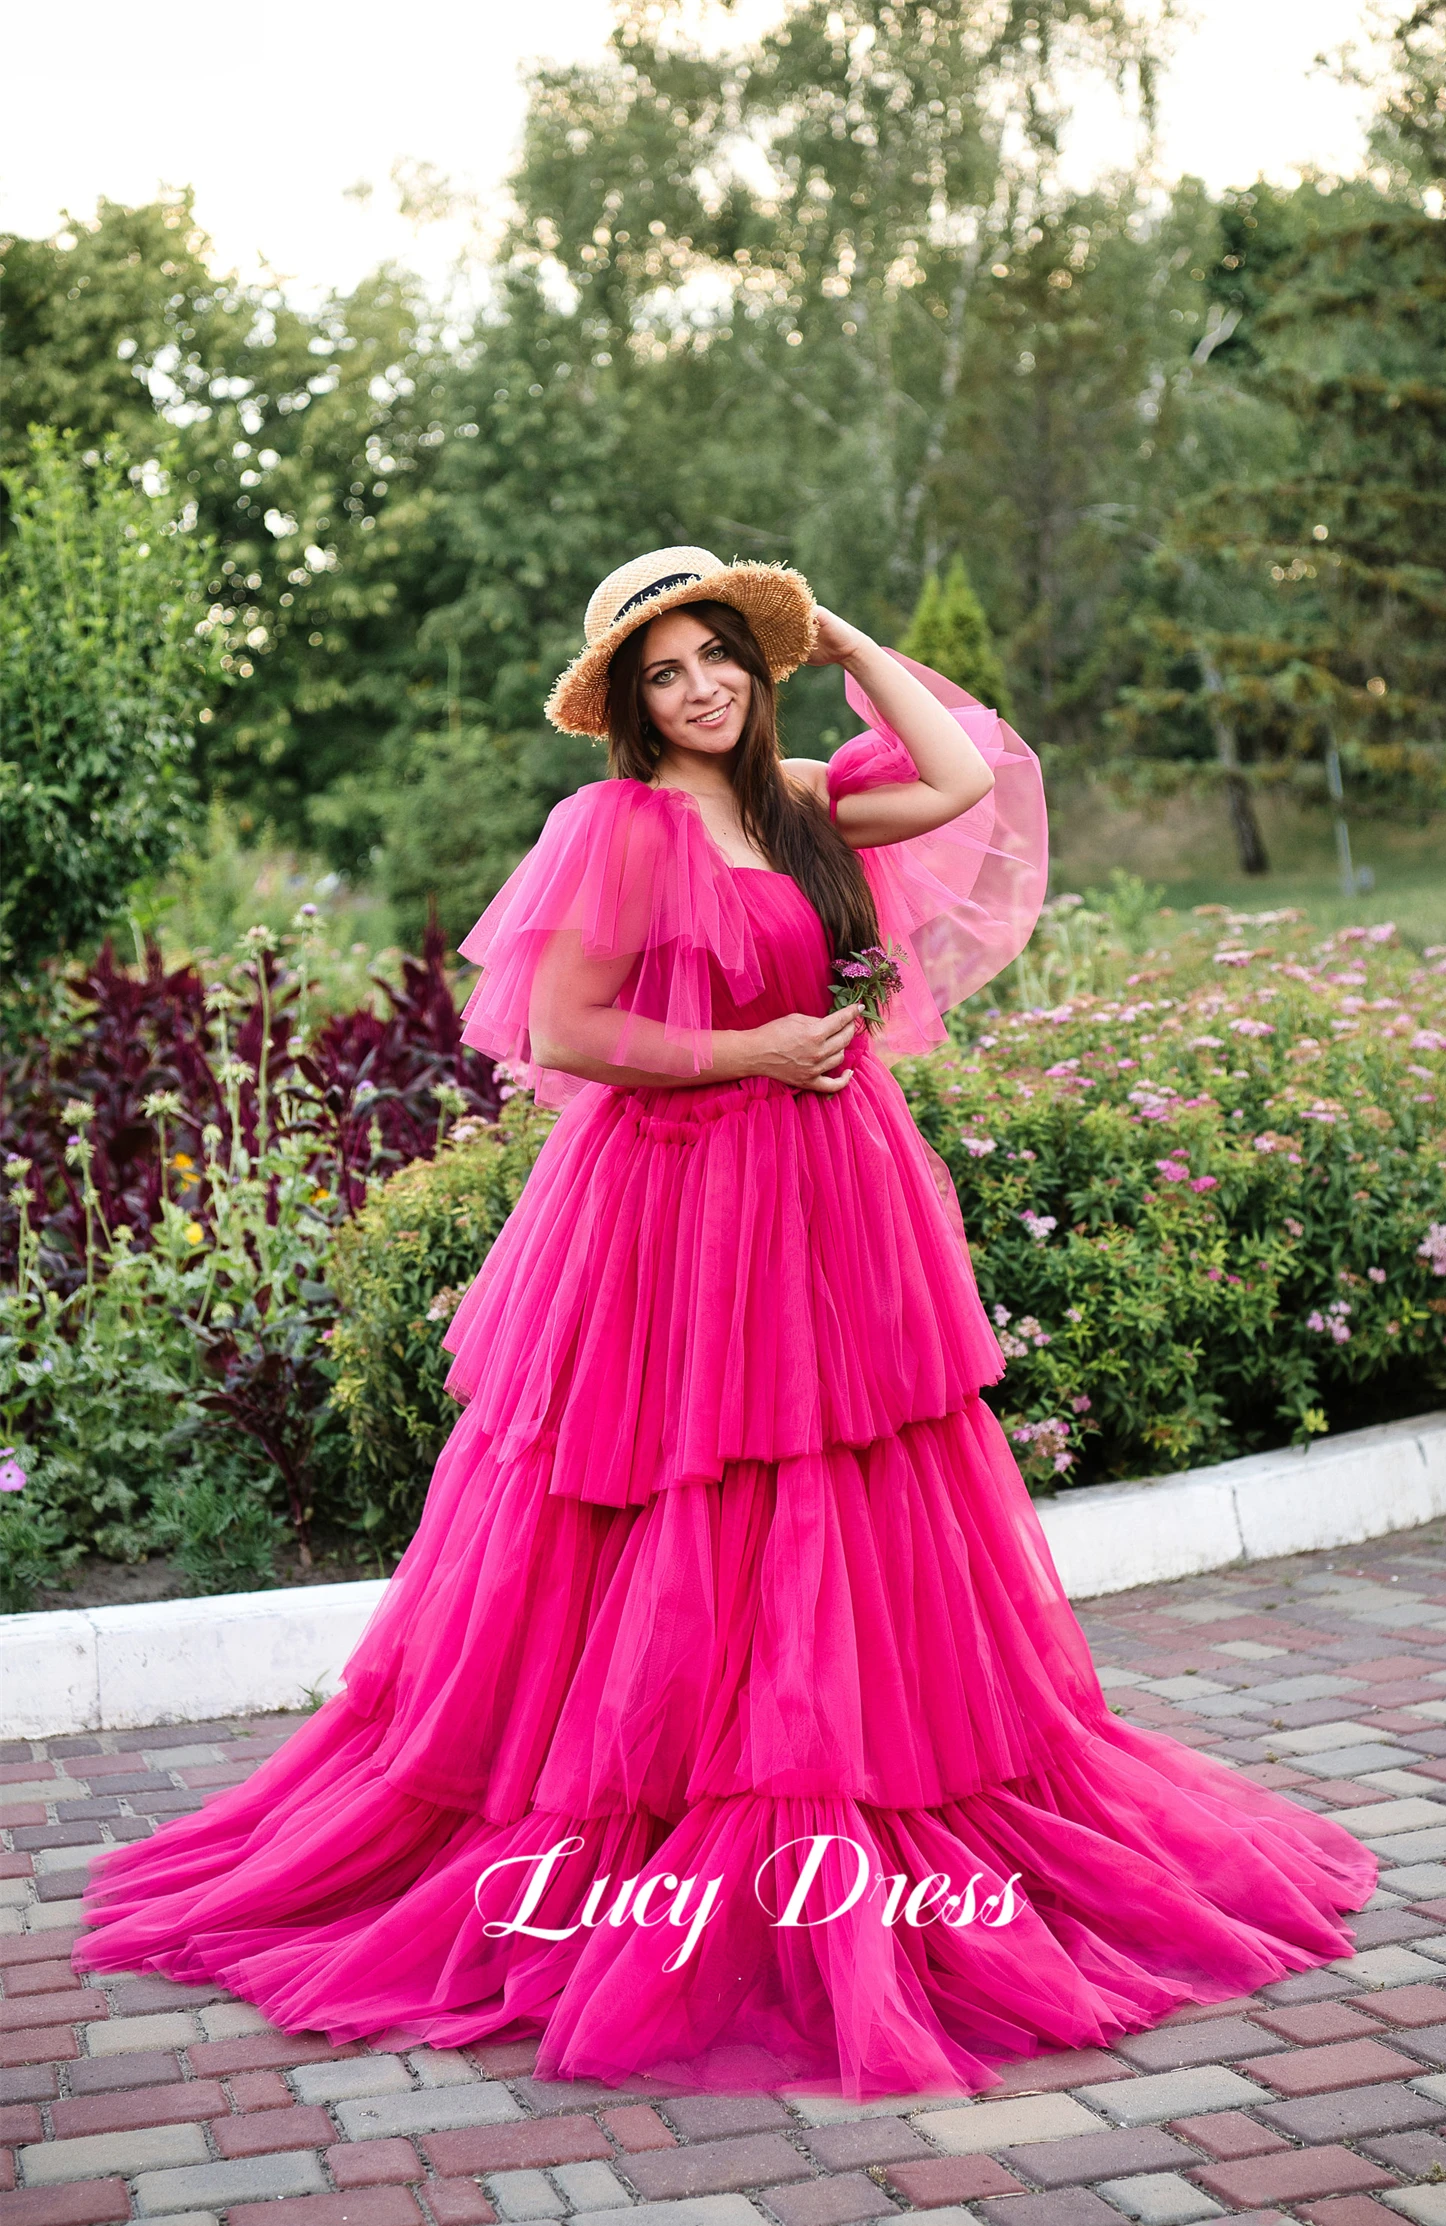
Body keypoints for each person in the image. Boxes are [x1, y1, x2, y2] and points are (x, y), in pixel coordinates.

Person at [74, 545, 1377, 2101]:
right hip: (682, 1203)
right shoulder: (617, 825)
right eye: (667, 671)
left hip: (836, 1189)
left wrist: (840, 638)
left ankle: (846, 1762)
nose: (701, 689)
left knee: (843, 1476)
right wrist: (752, 1044)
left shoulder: (804, 798)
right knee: (685, 1480)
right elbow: (569, 1029)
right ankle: (669, 1802)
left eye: (720, 658)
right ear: (628, 705)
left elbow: (962, 778)